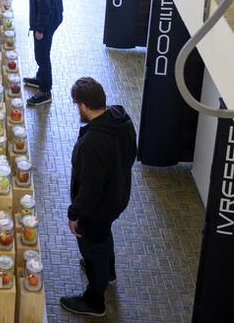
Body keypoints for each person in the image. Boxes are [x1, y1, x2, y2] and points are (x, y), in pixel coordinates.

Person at [61, 76, 137, 317]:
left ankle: (95, 299)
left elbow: (90, 190)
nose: (77, 110)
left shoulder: (93, 143)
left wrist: (74, 214)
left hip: (97, 208)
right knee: (104, 236)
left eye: (76, 105)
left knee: (93, 247)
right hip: (118, 196)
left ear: (83, 106)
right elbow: (131, 154)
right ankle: (109, 272)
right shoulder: (120, 118)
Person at [21, 0, 63, 106]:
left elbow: (44, 6)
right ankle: (40, 78)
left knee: (42, 55)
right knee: (42, 53)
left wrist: (39, 30)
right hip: (54, 16)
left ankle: (45, 90)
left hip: (47, 20)